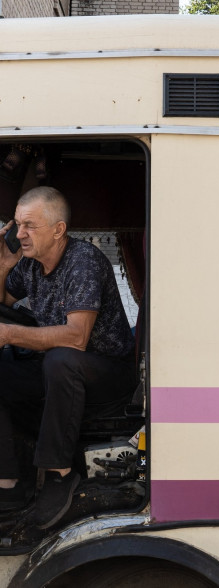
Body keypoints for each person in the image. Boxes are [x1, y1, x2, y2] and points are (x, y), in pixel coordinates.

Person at [0, 186, 136, 529]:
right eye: (17, 225)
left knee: (60, 359)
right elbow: (3, 299)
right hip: (59, 369)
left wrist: (9, 334)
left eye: (29, 225)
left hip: (107, 373)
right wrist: (2, 267)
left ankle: (60, 473)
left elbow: (77, 337)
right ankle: (9, 482)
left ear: (58, 230)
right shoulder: (30, 264)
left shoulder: (83, 261)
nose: (20, 234)